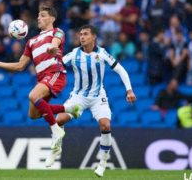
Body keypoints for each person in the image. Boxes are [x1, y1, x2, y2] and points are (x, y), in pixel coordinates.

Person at [44, 25, 137, 177]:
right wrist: (50, 56)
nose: (82, 37)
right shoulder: (74, 54)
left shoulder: (102, 53)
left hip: (97, 98)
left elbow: (120, 69)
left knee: (105, 124)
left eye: (86, 34)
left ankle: (102, 163)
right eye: (80, 34)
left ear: (94, 37)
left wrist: (129, 89)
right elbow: (57, 63)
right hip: (78, 98)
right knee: (59, 120)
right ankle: (56, 149)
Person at [0, 5, 79, 151]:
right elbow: (20, 66)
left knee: (33, 95)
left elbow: (55, 42)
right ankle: (70, 108)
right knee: (34, 114)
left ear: (52, 19)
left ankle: (56, 129)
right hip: (42, 79)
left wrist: (52, 47)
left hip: (55, 74)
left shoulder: (57, 32)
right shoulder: (31, 41)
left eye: (42, 15)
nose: (38, 18)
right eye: (38, 15)